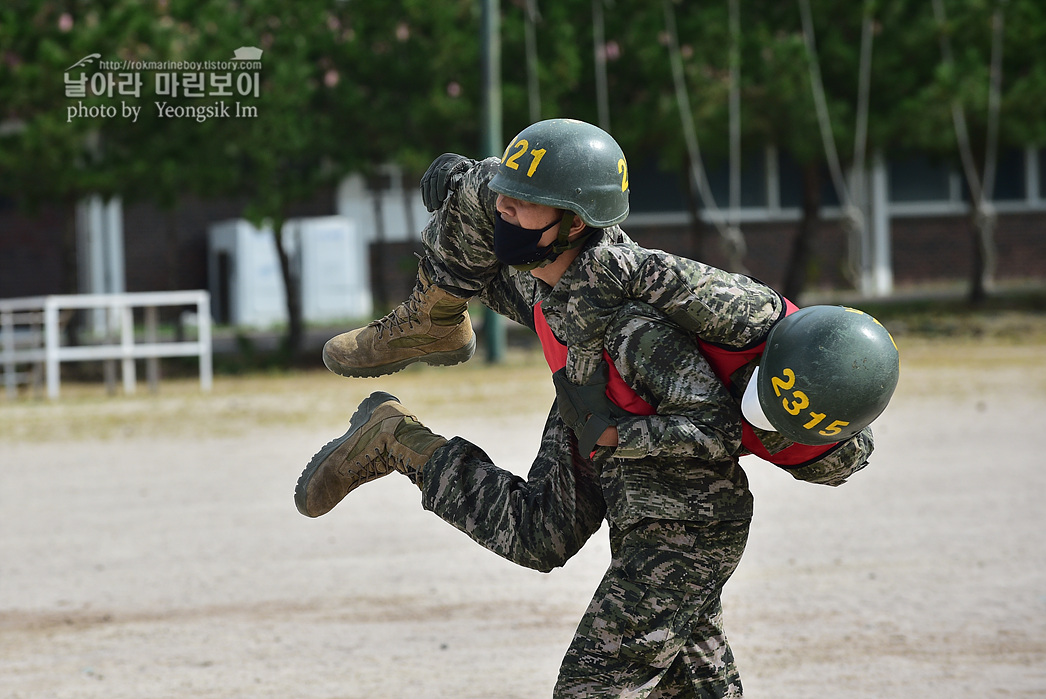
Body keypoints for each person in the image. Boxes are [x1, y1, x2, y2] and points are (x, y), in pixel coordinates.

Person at [295, 120, 885, 696]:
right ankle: (394, 432)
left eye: (524, 204)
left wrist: (618, 440)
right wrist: (460, 186)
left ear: (572, 222)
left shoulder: (637, 332)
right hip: (602, 427)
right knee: (540, 536)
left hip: (678, 521)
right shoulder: (549, 276)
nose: (506, 207)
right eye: (504, 196)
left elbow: (715, 425)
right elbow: (496, 241)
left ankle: (396, 436)